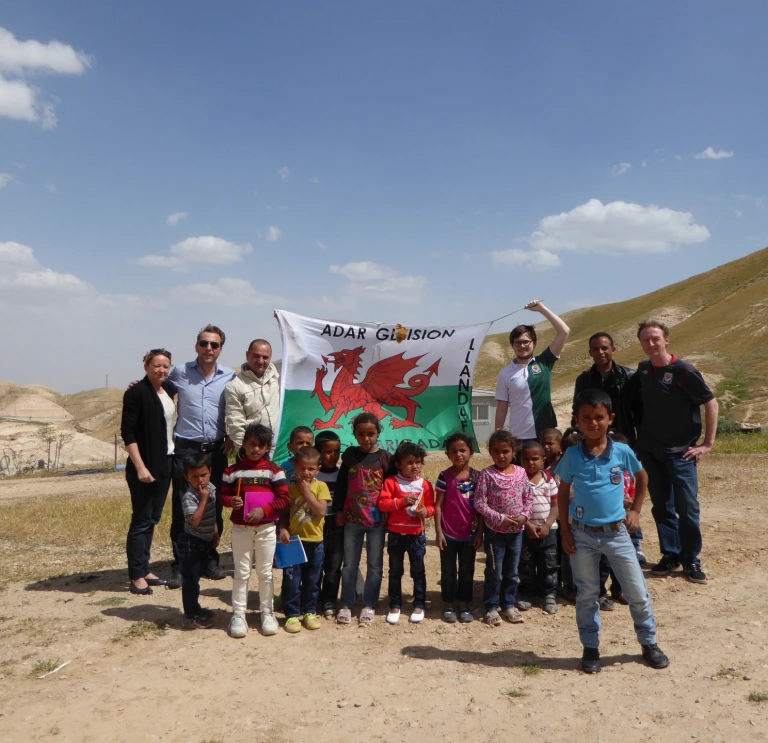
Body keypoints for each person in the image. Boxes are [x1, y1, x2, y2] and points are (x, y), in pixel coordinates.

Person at [556, 389, 669, 674]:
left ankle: (649, 643)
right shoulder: (572, 455)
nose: (593, 423)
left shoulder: (622, 451)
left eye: (599, 418)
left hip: (617, 533)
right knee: (587, 594)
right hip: (581, 534)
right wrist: (566, 532)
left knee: (636, 590)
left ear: (610, 419)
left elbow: (642, 476)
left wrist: (636, 511)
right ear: (576, 421)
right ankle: (590, 648)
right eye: (586, 418)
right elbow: (563, 491)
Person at [629, 320, 719, 584]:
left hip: (681, 453)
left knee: (687, 508)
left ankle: (691, 558)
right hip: (650, 451)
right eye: (645, 340)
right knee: (662, 506)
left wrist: (707, 444)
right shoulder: (644, 369)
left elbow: (711, 403)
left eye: (655, 338)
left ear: (666, 339)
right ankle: (671, 554)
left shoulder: (684, 371)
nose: (651, 344)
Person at [168, 325, 235, 586]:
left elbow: (239, 406)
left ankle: (209, 559)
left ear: (220, 349)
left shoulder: (229, 376)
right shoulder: (179, 373)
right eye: (204, 343)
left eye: (214, 345)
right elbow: (157, 388)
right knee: (182, 505)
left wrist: (233, 436)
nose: (209, 348)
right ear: (196, 346)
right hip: (186, 449)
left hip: (216, 450)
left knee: (215, 504)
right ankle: (180, 563)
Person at [219, 423, 289, 638]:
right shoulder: (232, 471)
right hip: (241, 530)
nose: (256, 449)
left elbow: (284, 498)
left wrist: (264, 510)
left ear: (267, 447)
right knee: (241, 573)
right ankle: (238, 614)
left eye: (261, 446)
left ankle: (267, 612)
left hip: (267, 530)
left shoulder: (275, 472)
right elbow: (222, 496)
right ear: (244, 444)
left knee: (265, 573)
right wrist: (232, 501)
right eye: (252, 445)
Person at [121, 349, 177, 595]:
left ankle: (145, 568)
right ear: (146, 366)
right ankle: (136, 575)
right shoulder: (136, 393)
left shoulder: (168, 391)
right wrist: (140, 466)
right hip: (145, 467)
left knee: (152, 520)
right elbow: (128, 433)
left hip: (165, 463)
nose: (161, 370)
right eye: (156, 365)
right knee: (141, 520)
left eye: (165, 366)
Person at [334, 413, 391, 626]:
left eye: (371, 434)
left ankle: (369, 604)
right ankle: (346, 604)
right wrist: (339, 510)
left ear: (378, 433)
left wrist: (390, 516)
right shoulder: (349, 455)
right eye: (361, 434)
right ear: (355, 435)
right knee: (349, 564)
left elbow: (391, 488)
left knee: (375, 564)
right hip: (351, 519)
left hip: (377, 521)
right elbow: (341, 484)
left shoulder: (385, 458)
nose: (366, 438)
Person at [474, 429, 533, 626]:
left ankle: (508, 603)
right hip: (494, 533)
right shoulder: (487, 475)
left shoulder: (521, 473)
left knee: (511, 571)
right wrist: (499, 518)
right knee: (494, 571)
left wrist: (524, 516)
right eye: (497, 451)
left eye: (506, 451)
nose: (501, 455)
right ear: (490, 452)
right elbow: (479, 503)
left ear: (514, 452)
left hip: (516, 533)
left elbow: (528, 498)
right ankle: (491, 606)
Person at [494, 301, 571, 439]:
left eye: (526, 342)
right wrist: (498, 436)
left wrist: (542, 309)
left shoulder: (544, 362)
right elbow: (502, 407)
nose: (522, 345)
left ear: (534, 343)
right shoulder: (505, 373)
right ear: (512, 345)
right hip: (519, 437)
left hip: (545, 437)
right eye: (517, 342)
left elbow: (564, 331)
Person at [378, 442, 435, 625]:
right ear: (398, 465)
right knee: (395, 571)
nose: (415, 466)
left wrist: (426, 512)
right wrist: (401, 501)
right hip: (395, 535)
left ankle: (419, 604)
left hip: (417, 536)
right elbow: (382, 503)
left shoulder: (425, 484)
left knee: (418, 571)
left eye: (418, 462)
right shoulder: (391, 482)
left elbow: (432, 507)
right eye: (409, 462)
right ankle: (395, 605)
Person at [279, 447, 332, 633]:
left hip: (315, 541)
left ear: (318, 469)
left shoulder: (321, 487)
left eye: (311, 469)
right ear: (294, 467)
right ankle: (292, 615)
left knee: (312, 579)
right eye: (302, 468)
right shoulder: (289, 489)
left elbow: (320, 511)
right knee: (292, 580)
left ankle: (310, 611)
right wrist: (283, 528)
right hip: (294, 542)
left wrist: (307, 492)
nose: (306, 473)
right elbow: (284, 513)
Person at [434, 433, 482, 624]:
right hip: (448, 534)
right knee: (447, 571)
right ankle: (447, 604)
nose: (458, 454)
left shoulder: (478, 477)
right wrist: (438, 532)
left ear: (471, 453)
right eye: (453, 451)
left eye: (462, 450)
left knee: (467, 570)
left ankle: (463, 604)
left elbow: (480, 509)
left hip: (469, 535)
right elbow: (437, 506)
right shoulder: (444, 476)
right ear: (447, 454)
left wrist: (480, 533)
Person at [517, 440, 559, 614]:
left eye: (535, 459)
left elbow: (555, 506)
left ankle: (549, 593)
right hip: (525, 530)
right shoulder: (517, 479)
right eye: (526, 459)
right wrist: (527, 525)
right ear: (520, 460)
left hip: (548, 530)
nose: (530, 463)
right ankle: (527, 592)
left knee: (549, 563)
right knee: (526, 563)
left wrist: (548, 525)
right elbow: (515, 506)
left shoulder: (549, 480)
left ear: (543, 459)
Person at [573, 332, 637, 446]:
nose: (600, 352)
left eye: (604, 348)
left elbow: (639, 412)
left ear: (613, 349)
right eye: (595, 349)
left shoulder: (629, 376)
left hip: (625, 440)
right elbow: (577, 411)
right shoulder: (584, 380)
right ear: (590, 353)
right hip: (594, 441)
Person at [177, 452, 218, 629]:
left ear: (210, 471)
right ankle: (190, 615)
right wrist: (203, 500)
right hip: (190, 543)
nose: (200, 480)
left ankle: (196, 608)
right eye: (194, 477)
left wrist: (215, 533)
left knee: (197, 577)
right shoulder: (190, 497)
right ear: (187, 477)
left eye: (203, 475)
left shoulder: (211, 488)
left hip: (204, 541)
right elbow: (194, 520)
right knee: (190, 580)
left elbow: (213, 514)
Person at [225, 339, 280, 453]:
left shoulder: (275, 376)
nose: (260, 361)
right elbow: (236, 424)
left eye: (265, 357)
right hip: (254, 451)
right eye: (256, 356)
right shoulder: (235, 386)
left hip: (277, 448)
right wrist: (246, 452)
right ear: (247, 355)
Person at [315, 431, 343, 618]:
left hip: (337, 525)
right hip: (315, 525)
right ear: (318, 452)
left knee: (333, 567)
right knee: (315, 565)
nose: (333, 456)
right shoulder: (313, 475)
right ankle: (313, 598)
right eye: (328, 452)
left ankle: (329, 600)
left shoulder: (343, 475)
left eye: (337, 451)